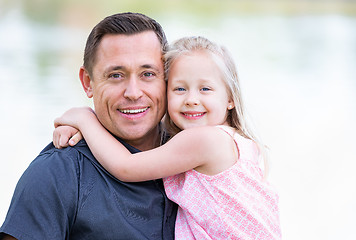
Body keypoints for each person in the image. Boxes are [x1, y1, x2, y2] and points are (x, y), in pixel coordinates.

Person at [54, 36, 282, 239]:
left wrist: (84, 119)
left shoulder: (204, 141)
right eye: (179, 89)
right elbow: (141, 125)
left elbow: (126, 167)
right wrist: (82, 130)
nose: (192, 99)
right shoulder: (238, 141)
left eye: (205, 89)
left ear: (230, 98)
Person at [0, 12, 178, 240]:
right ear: (88, 82)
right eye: (116, 75)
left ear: (167, 78)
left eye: (147, 74)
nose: (133, 93)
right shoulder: (57, 174)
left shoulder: (202, 161)